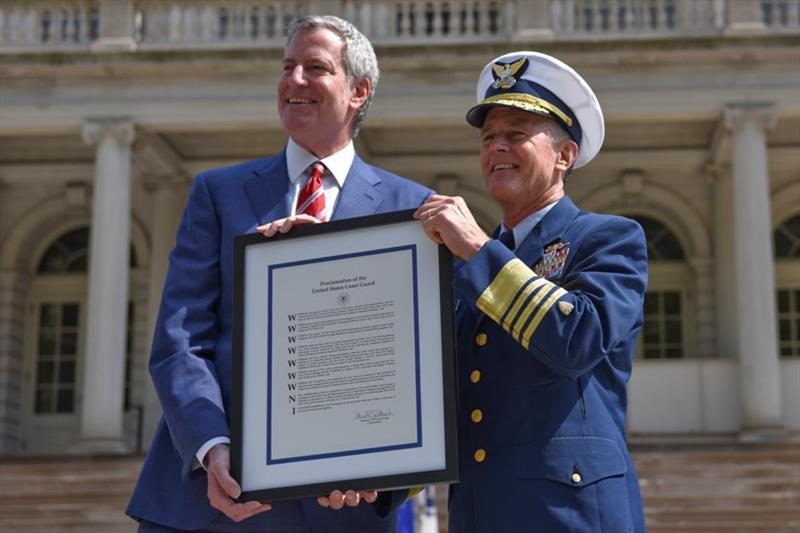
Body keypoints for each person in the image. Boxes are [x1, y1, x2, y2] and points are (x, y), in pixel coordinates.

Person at [127, 15, 432, 532]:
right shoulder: (218, 194)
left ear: (359, 91)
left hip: (344, 511)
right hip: (214, 501)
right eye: (287, 66)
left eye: (315, 68)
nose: (293, 81)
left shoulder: (412, 208)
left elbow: (419, 360)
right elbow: (181, 338)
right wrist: (211, 448)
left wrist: (385, 472)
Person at [414, 51, 648, 532]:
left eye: (516, 134)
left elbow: (576, 338)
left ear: (565, 156)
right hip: (480, 514)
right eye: (488, 138)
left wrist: (479, 250)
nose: (496, 147)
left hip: (570, 517)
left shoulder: (608, 238)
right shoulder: (471, 265)